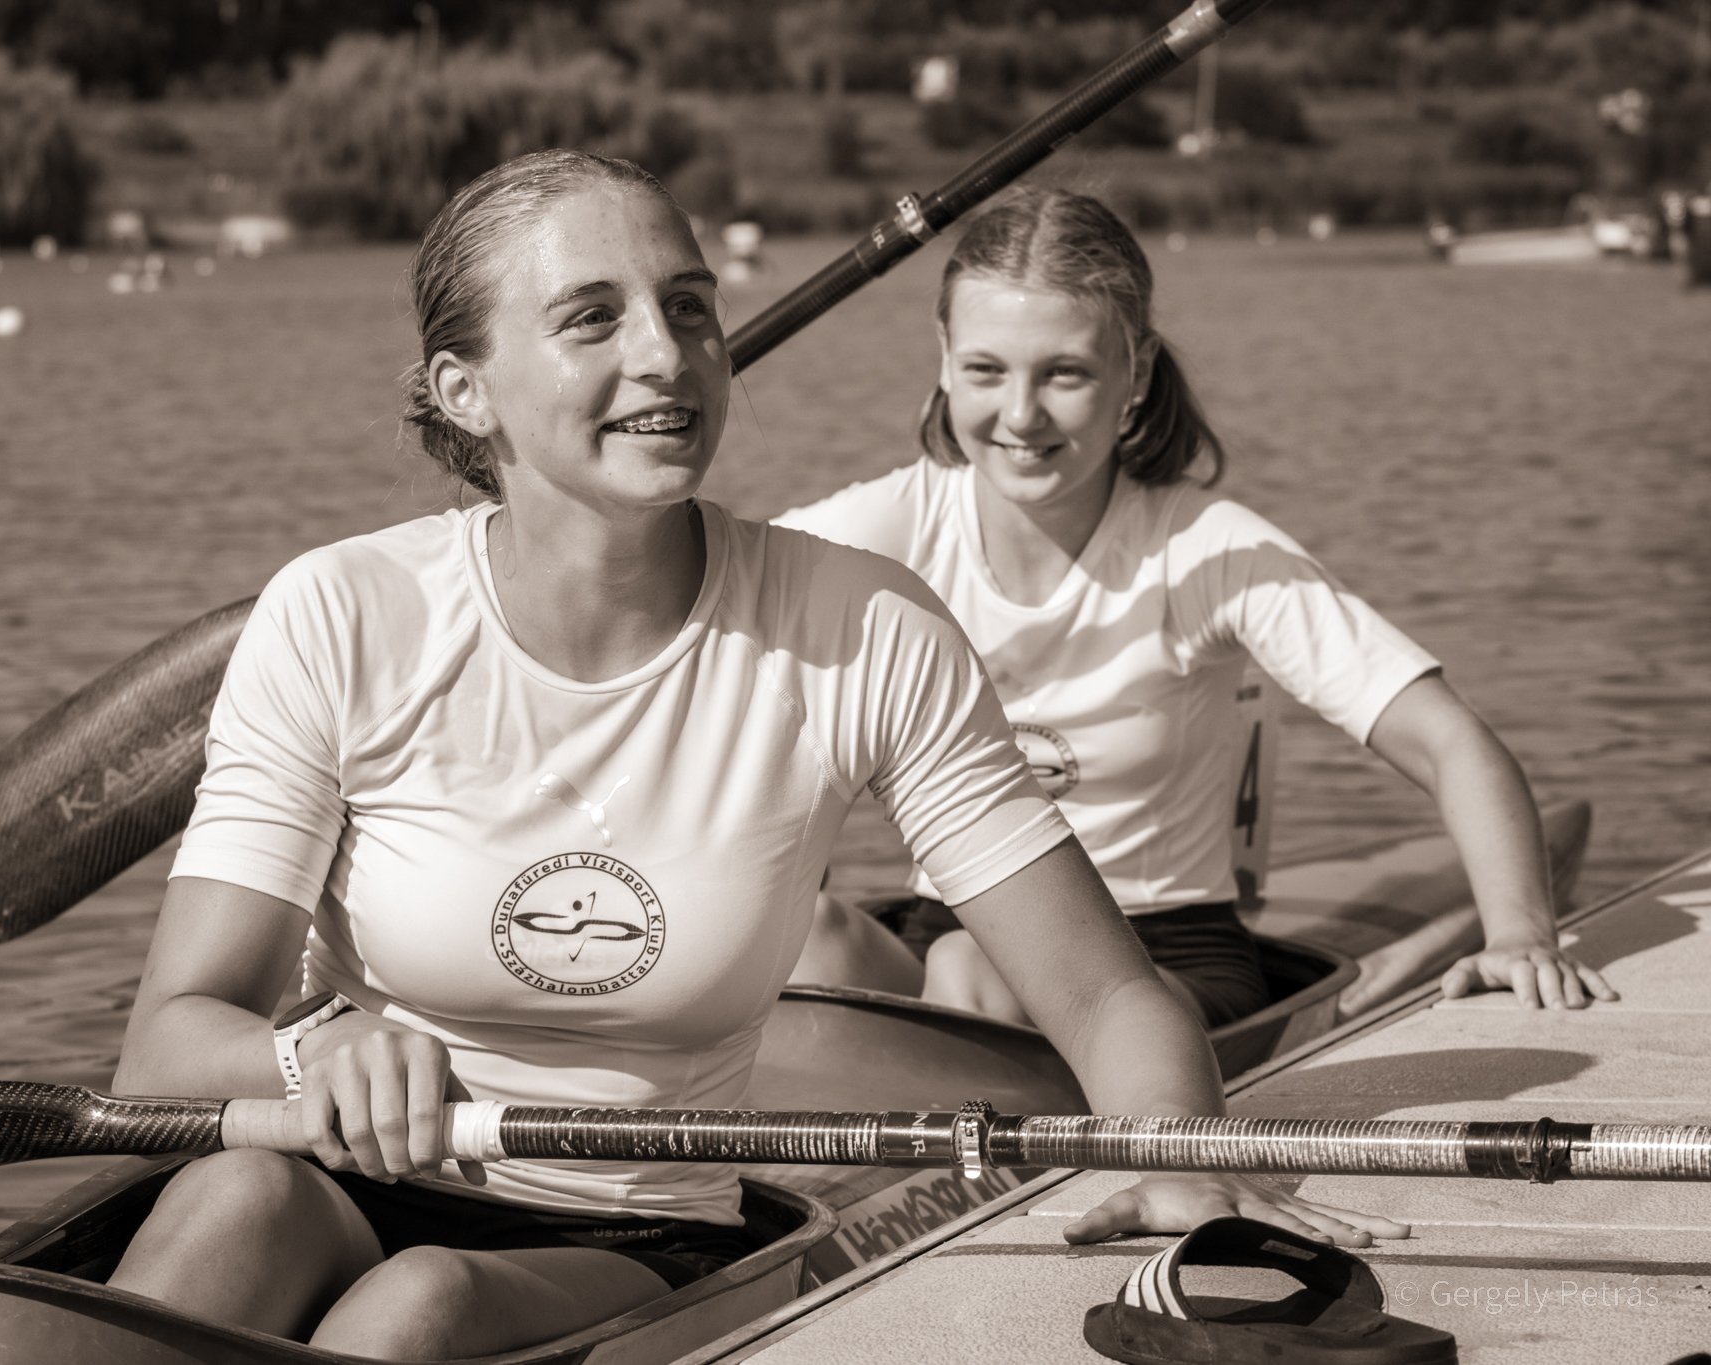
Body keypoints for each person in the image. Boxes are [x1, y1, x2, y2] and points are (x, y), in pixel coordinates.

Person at [102, 151, 1407, 1361]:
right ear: (465, 390)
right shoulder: (339, 612)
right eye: (593, 319)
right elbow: (165, 1048)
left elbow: (1107, 998)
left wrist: (1181, 1161)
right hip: (339, 1176)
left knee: (417, 1304)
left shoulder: (860, 628)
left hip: (628, 1225)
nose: (665, 355)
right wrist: (309, 1055)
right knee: (233, 1202)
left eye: (688, 307)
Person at [777, 186, 1617, 1025]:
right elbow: (711, 608)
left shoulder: (1207, 549)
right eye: (986, 370)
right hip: (946, 932)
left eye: (1065, 373)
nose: (1021, 415)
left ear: (1136, 371)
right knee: (801, 930)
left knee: (972, 963)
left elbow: (1448, 740)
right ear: (943, 356)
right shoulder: (885, 525)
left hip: (1159, 956)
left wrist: (1520, 932)